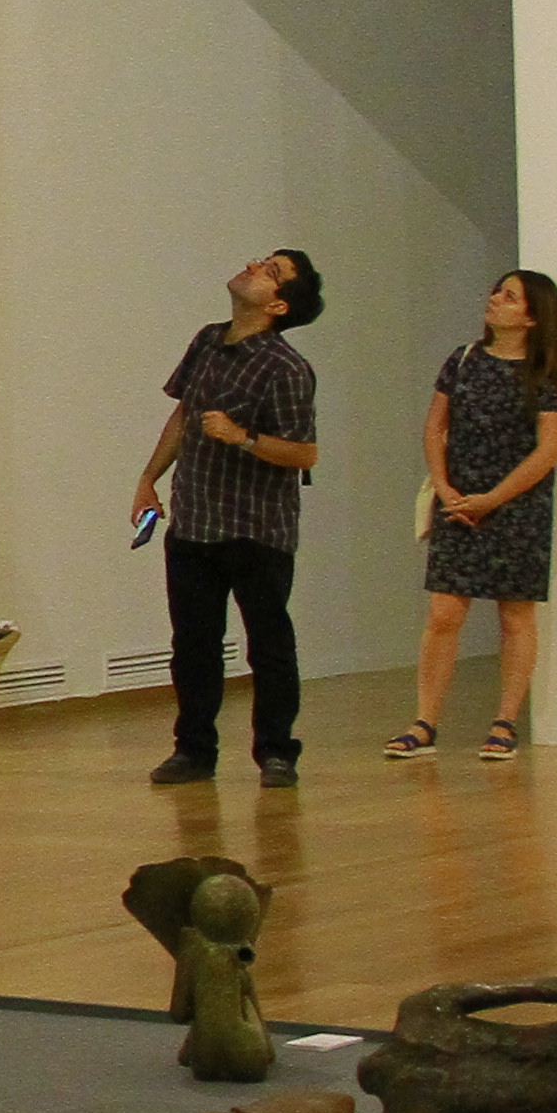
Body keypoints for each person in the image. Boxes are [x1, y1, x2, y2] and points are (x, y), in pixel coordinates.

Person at [131, 247, 323, 789]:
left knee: (268, 644)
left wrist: (243, 437)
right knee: (193, 644)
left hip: (257, 528)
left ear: (279, 305)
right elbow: (183, 413)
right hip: (194, 521)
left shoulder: (287, 368)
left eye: (272, 271)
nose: (255, 267)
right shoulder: (207, 340)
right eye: (262, 260)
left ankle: (277, 751)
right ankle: (193, 750)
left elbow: (305, 453)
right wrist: (149, 478)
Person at [397, 269, 557, 764]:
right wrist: (446, 488)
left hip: (517, 506)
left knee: (515, 613)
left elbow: (547, 451)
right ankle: (424, 720)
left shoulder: (545, 374)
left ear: (533, 317)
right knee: (443, 612)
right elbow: (435, 428)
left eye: (509, 296)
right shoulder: (464, 359)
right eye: (498, 291)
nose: (495, 299)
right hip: (458, 503)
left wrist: (493, 498)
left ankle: (505, 721)